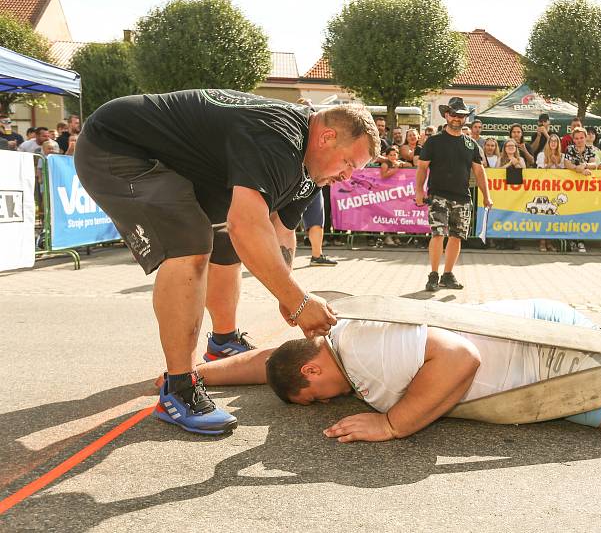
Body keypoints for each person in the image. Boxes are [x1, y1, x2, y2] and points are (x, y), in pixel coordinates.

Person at [74, 89, 379, 435]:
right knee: (188, 246)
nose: (348, 176)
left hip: (184, 167)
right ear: (326, 137)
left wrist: (287, 297)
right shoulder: (280, 139)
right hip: (117, 145)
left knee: (226, 242)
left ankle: (223, 341)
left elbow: (278, 232)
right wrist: (300, 301)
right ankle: (179, 389)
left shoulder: (310, 170)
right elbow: (246, 225)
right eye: (349, 164)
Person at [191, 299, 601, 443]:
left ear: (317, 365)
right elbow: (274, 363)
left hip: (550, 367)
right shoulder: (341, 338)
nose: (323, 404)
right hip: (542, 346)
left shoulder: (363, 355)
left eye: (314, 395)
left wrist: (394, 425)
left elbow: (461, 358)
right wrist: (203, 376)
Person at [415, 96, 492, 292]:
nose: (458, 118)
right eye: (454, 114)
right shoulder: (434, 142)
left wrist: (487, 195)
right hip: (438, 195)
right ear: (446, 115)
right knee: (438, 234)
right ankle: (433, 275)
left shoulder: (471, 144)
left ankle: (447, 275)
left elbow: (479, 171)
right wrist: (419, 191)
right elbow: (422, 168)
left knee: (457, 237)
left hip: (463, 197)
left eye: (462, 115)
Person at [301, 188, 337, 267]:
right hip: (308, 181)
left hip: (314, 183)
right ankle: (316, 256)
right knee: (282, 221)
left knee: (316, 220)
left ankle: (316, 256)